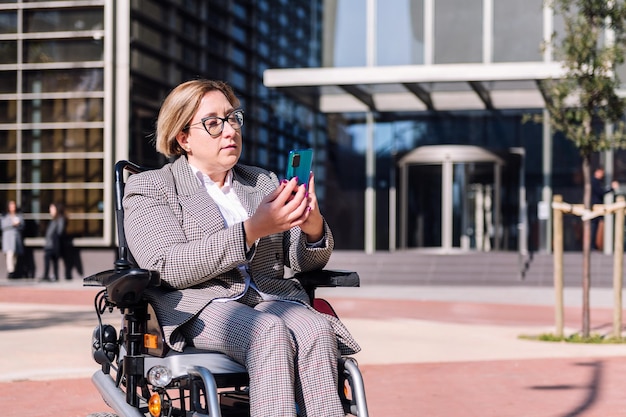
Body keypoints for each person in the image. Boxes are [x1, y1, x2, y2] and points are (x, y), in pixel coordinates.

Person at [123, 79, 360, 417]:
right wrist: (250, 231)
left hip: (269, 297)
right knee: (268, 333)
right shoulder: (153, 186)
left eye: (233, 118)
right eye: (213, 123)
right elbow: (166, 265)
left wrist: (312, 226)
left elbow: (302, 261)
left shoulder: (261, 182)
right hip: (200, 304)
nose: (229, 130)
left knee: (317, 327)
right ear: (184, 137)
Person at [590, 167, 619, 250]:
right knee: (593, 226)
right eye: (601, 173)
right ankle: (592, 245)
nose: (602, 175)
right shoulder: (594, 182)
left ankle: (593, 245)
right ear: (597, 172)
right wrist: (612, 188)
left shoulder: (596, 182)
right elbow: (600, 192)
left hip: (597, 207)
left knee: (595, 226)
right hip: (595, 207)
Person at [41, 202, 67, 282]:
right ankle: (49, 275)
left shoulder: (60, 219)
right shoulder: (53, 220)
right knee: (50, 260)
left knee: (54, 260)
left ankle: (53, 275)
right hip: (49, 244)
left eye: (52, 209)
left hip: (54, 244)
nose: (50, 211)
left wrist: (54, 238)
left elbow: (59, 231)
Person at [1, 200, 24, 279]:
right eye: (11, 206)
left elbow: (22, 226)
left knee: (15, 256)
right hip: (8, 239)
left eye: (13, 206)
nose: (12, 208)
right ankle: (11, 272)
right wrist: (12, 224)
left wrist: (18, 224)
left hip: (16, 239)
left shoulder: (19, 216)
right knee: (9, 255)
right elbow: (2, 225)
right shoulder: (4, 216)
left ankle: (13, 271)